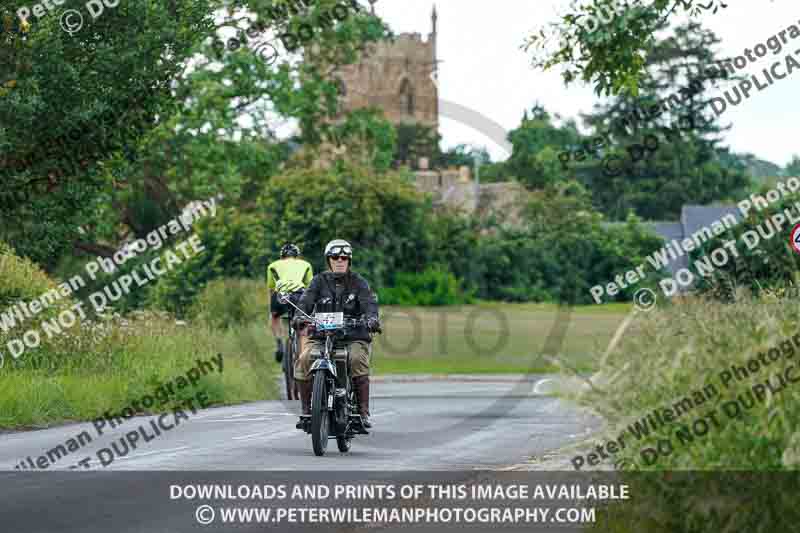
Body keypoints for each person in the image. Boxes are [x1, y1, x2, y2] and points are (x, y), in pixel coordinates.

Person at [294, 239, 381, 430]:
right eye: (335, 257)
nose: (340, 260)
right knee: (304, 359)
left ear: (349, 261)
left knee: (357, 359)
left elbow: (369, 304)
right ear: (329, 260)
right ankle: (307, 411)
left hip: (353, 337)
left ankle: (362, 412)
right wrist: (299, 316)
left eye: (344, 257)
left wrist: (372, 319)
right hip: (321, 336)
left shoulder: (359, 283)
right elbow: (305, 302)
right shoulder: (318, 281)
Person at [267, 243, 313, 362]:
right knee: (303, 328)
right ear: (297, 256)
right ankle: (303, 358)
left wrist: (272, 309)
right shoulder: (306, 264)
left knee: (274, 317)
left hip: (281, 296)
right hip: (299, 296)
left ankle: (279, 342)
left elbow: (271, 288)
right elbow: (310, 287)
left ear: (282, 256)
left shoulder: (272, 265)